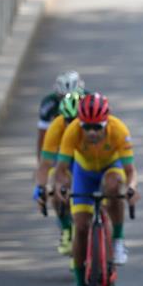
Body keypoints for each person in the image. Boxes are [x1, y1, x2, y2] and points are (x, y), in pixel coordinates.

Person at [55, 93, 139, 286]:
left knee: (114, 187)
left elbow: (130, 171)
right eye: (87, 127)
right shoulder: (72, 131)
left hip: (110, 167)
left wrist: (131, 188)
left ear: (106, 121)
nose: (92, 133)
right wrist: (61, 188)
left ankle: (118, 238)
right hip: (84, 173)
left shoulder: (119, 130)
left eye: (97, 127)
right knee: (81, 227)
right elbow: (61, 171)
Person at [34, 92, 81, 256]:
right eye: (67, 120)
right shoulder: (56, 127)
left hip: (88, 163)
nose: (71, 125)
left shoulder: (92, 128)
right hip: (66, 163)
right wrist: (40, 188)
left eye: (76, 120)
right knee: (54, 187)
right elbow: (45, 164)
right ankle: (66, 229)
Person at [38, 71, 85, 154]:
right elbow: (42, 134)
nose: (67, 101)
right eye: (62, 97)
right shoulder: (48, 103)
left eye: (73, 98)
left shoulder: (88, 99)